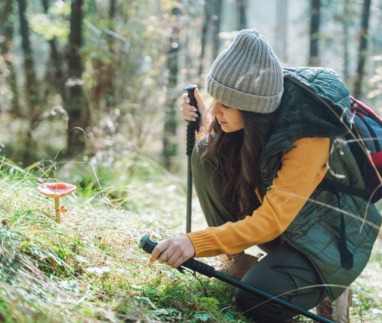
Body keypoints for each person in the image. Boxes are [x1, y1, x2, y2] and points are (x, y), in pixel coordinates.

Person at [150, 29, 381, 322]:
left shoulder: (307, 137)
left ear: (254, 109)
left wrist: (196, 242)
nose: (216, 109)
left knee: (257, 299)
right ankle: (239, 261)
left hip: (327, 239)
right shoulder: (258, 117)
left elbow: (272, 220)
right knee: (206, 150)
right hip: (290, 223)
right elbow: (225, 145)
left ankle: (328, 290)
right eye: (215, 98)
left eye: (227, 104)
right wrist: (202, 119)